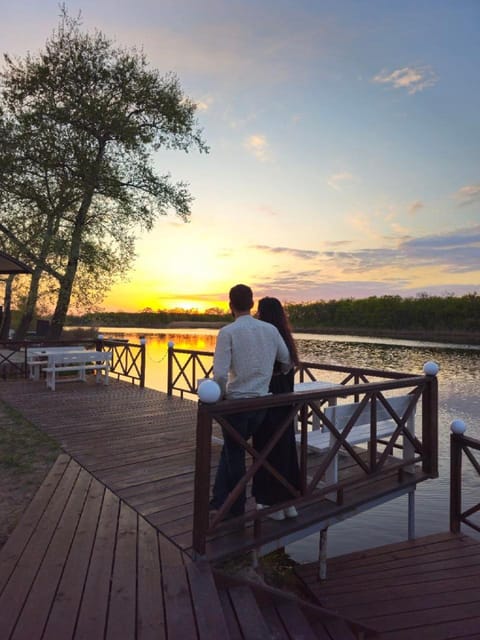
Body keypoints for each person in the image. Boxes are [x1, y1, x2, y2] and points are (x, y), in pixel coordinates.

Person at [210, 284, 292, 519]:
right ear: (252, 303)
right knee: (232, 449)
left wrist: (219, 395)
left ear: (230, 305)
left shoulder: (228, 332)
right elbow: (286, 361)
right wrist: (269, 375)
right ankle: (219, 498)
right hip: (262, 403)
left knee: (235, 453)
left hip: (237, 403)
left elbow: (221, 374)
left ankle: (234, 507)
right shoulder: (270, 330)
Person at [252, 297, 300, 520]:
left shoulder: (266, 335)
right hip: (286, 400)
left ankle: (267, 502)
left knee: (264, 448)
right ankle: (289, 502)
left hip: (269, 398)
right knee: (285, 448)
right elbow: (288, 365)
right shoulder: (286, 337)